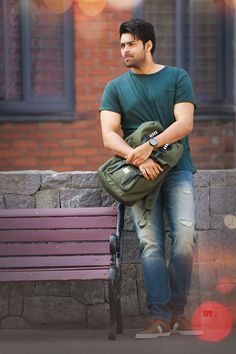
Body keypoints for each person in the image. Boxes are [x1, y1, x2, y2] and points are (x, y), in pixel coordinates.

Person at [99, 18, 202, 339]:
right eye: (121, 45)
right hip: (139, 177)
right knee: (150, 245)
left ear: (148, 45)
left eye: (130, 44)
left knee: (184, 239)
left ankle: (178, 314)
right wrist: (137, 158)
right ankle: (158, 316)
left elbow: (184, 124)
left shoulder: (176, 77)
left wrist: (149, 146)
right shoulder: (115, 88)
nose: (124, 50)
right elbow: (108, 136)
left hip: (178, 169)